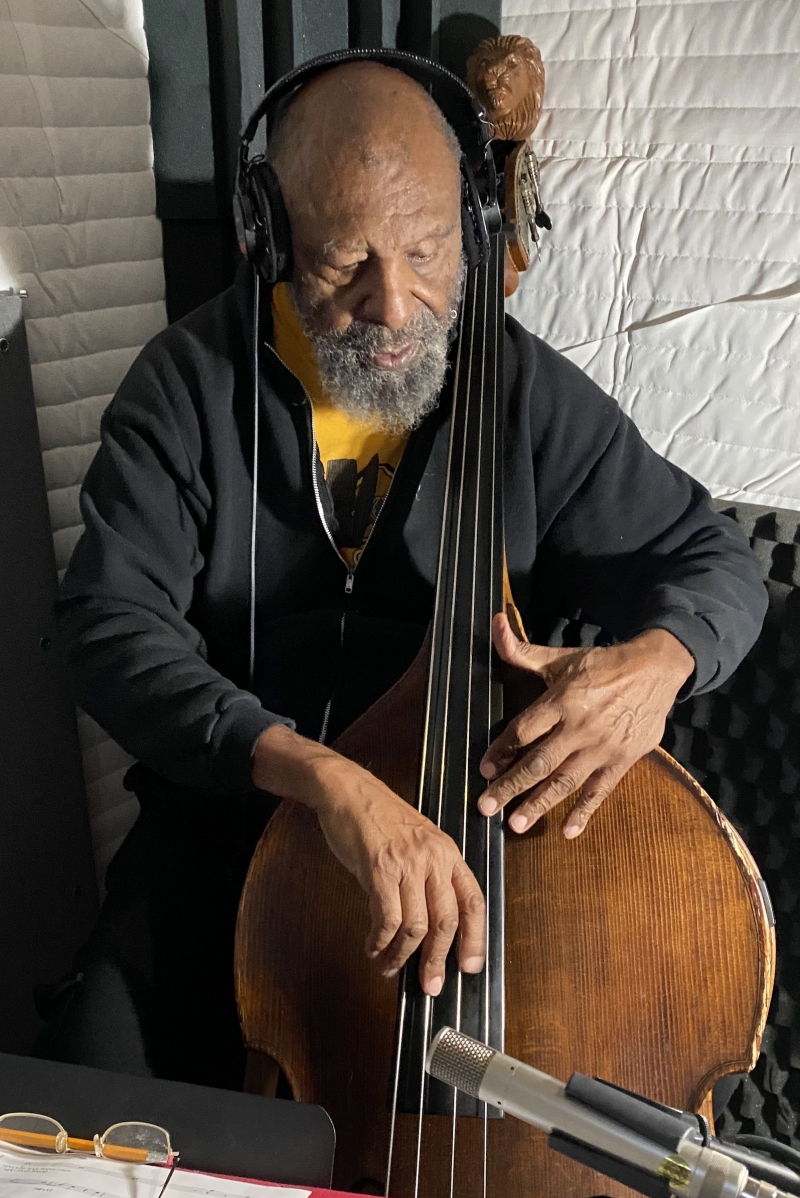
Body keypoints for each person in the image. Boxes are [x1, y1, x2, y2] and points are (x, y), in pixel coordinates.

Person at [41, 59, 766, 1089]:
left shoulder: (522, 394)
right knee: (85, 1124)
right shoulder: (185, 386)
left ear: (466, 227)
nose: (395, 303)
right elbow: (108, 627)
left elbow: (710, 564)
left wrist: (656, 663)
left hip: (474, 849)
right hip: (230, 823)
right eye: (345, 261)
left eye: (427, 251)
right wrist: (319, 777)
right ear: (268, 234)